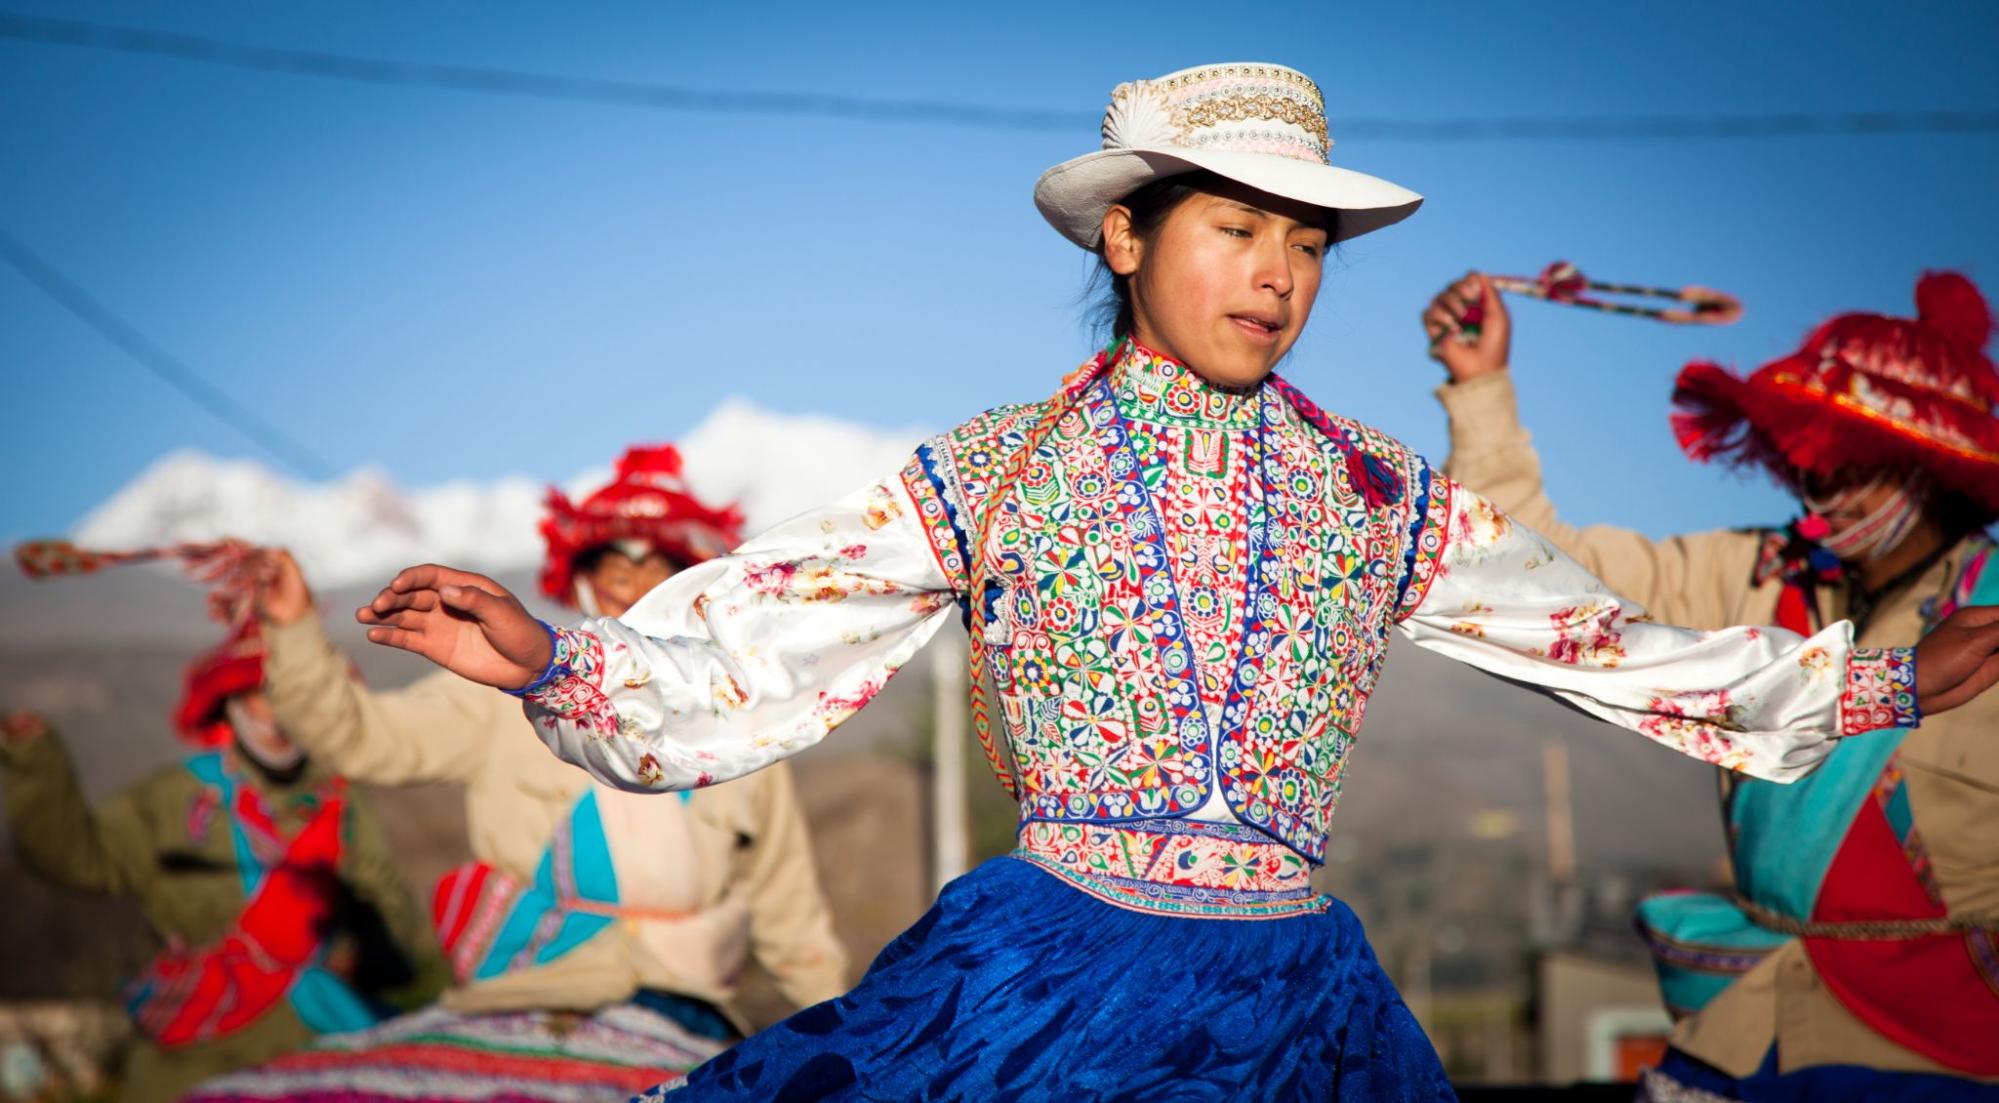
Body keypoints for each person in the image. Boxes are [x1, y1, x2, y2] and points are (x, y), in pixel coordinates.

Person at [355, 63, 1999, 1100]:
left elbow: (1602, 642)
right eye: (1235, 230)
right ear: (1124, 239)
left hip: (1296, 1002)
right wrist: (555, 662)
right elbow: (779, 625)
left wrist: (1854, 684)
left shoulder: (1369, 489)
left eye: (1304, 247)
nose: (1277, 277)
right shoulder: (1001, 465)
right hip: (1045, 977)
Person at [1424, 271, 1999, 1099]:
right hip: (1748, 1030)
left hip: (1952, 1046)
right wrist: (1481, 387)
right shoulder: (1753, 575)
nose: (1817, 490)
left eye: (1846, 463)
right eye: (1805, 460)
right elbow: (1538, 572)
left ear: (1926, 466)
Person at [186, 444, 846, 1102]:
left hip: (680, 1014)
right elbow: (360, 740)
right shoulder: (503, 693)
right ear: (582, 580)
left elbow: (795, 928)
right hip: (507, 1000)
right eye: (612, 564)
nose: (632, 583)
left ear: (692, 587)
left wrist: (848, 1054)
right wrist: (293, 625)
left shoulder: (740, 727)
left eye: (660, 568)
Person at [0, 626, 436, 1103]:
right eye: (258, 696)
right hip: (193, 1048)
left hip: (319, 1031)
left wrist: (360, 952)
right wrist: (36, 766)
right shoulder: (173, 799)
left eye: (290, 695)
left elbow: (390, 909)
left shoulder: (341, 803)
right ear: (229, 704)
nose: (275, 714)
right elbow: (79, 858)